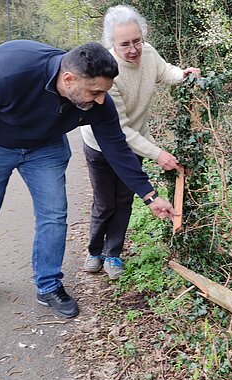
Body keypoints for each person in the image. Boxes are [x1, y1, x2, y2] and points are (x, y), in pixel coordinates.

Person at [0, 40, 178, 319]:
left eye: (104, 92)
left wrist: (149, 195)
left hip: (45, 148)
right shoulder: (9, 73)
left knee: (53, 215)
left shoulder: (98, 103)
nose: (100, 100)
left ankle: (48, 285)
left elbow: (117, 148)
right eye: (95, 92)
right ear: (68, 79)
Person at [80, 5, 200, 280]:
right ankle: (94, 251)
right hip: (101, 144)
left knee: (124, 200)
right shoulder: (108, 72)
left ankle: (113, 254)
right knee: (104, 202)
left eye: (137, 40)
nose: (133, 49)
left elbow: (163, 70)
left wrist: (183, 75)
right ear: (112, 43)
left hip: (136, 142)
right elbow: (119, 132)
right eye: (125, 44)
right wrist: (158, 154)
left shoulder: (147, 52)